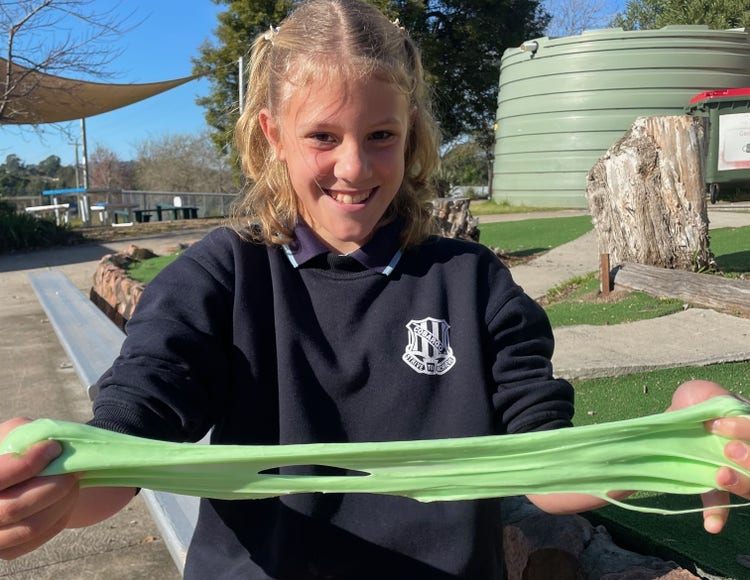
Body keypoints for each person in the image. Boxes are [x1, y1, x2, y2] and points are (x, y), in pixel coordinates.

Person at [1, 0, 750, 578]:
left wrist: (668, 442)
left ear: (411, 132)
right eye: (323, 136)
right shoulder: (219, 278)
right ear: (271, 135)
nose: (355, 168)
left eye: (380, 136)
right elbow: (128, 448)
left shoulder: (475, 284)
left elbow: (550, 469)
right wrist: (52, 485)